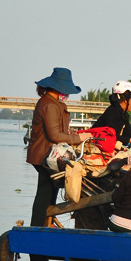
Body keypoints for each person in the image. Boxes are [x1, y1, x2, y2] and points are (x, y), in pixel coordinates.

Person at [26, 67, 92, 227]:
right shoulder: (50, 105)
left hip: (47, 155)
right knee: (45, 194)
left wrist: (71, 133)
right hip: (45, 156)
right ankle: (37, 229)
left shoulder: (52, 102)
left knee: (49, 193)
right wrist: (78, 138)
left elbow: (57, 131)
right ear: (58, 88)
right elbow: (54, 135)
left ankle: (44, 225)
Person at [93, 80, 131, 147]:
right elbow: (111, 136)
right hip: (97, 147)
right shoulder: (112, 112)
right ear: (125, 100)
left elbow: (129, 135)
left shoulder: (124, 114)